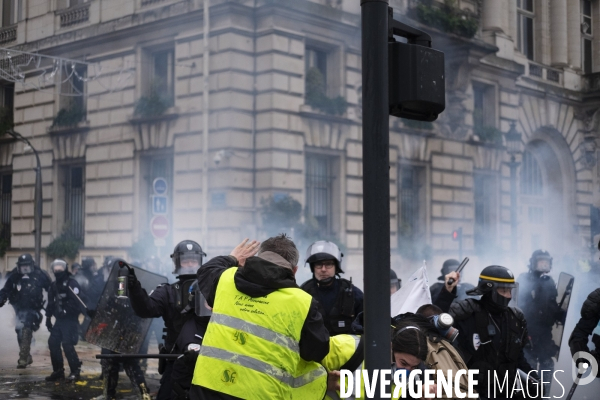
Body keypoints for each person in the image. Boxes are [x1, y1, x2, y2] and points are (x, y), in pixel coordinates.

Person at [190, 235, 330, 400]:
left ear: (256, 258)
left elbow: (207, 269)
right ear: (294, 270)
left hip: (207, 389)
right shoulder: (303, 302)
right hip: (262, 394)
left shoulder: (225, 279)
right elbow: (316, 351)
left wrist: (233, 258)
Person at [126, 240, 207, 400]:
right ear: (177, 262)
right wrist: (135, 289)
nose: (190, 264)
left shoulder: (212, 289)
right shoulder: (167, 291)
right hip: (176, 360)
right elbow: (147, 309)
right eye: (185, 260)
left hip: (206, 360)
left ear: (200, 261)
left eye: (193, 260)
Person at [449, 265, 536, 399]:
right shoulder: (466, 314)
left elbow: (518, 358)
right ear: (489, 290)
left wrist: (533, 378)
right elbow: (435, 324)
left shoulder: (515, 318)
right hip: (473, 392)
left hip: (506, 391)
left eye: (510, 291)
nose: (508, 296)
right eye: (503, 290)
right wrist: (446, 292)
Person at [517, 250, 564, 392]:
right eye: (541, 261)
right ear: (533, 263)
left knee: (547, 363)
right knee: (528, 367)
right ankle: (529, 395)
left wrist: (561, 315)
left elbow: (552, 306)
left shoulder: (549, 282)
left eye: (546, 261)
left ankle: (544, 394)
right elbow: (518, 306)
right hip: (528, 332)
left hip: (544, 334)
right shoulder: (523, 279)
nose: (544, 264)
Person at [300, 240, 363, 335]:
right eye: (319, 264)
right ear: (313, 267)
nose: (323, 269)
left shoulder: (351, 293)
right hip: (314, 349)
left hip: (346, 349)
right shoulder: (303, 293)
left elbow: (368, 322)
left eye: (329, 264)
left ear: (336, 267)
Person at [0, 253, 50, 368]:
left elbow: (51, 289)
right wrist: (1, 299)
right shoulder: (14, 276)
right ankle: (26, 355)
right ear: (19, 266)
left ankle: (23, 357)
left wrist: (53, 305)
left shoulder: (40, 275)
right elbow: (5, 290)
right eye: (23, 266)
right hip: (19, 310)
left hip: (34, 310)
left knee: (26, 325)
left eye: (27, 265)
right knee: (19, 331)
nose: (25, 268)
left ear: (32, 265)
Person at [45, 259, 85, 382]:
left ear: (65, 269)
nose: (57, 271)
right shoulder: (53, 285)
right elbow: (51, 303)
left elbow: (77, 302)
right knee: (53, 343)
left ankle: (75, 371)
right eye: (55, 269)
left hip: (70, 320)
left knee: (67, 344)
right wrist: (48, 318)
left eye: (60, 269)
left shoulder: (71, 283)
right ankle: (58, 371)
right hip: (59, 321)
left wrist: (66, 311)